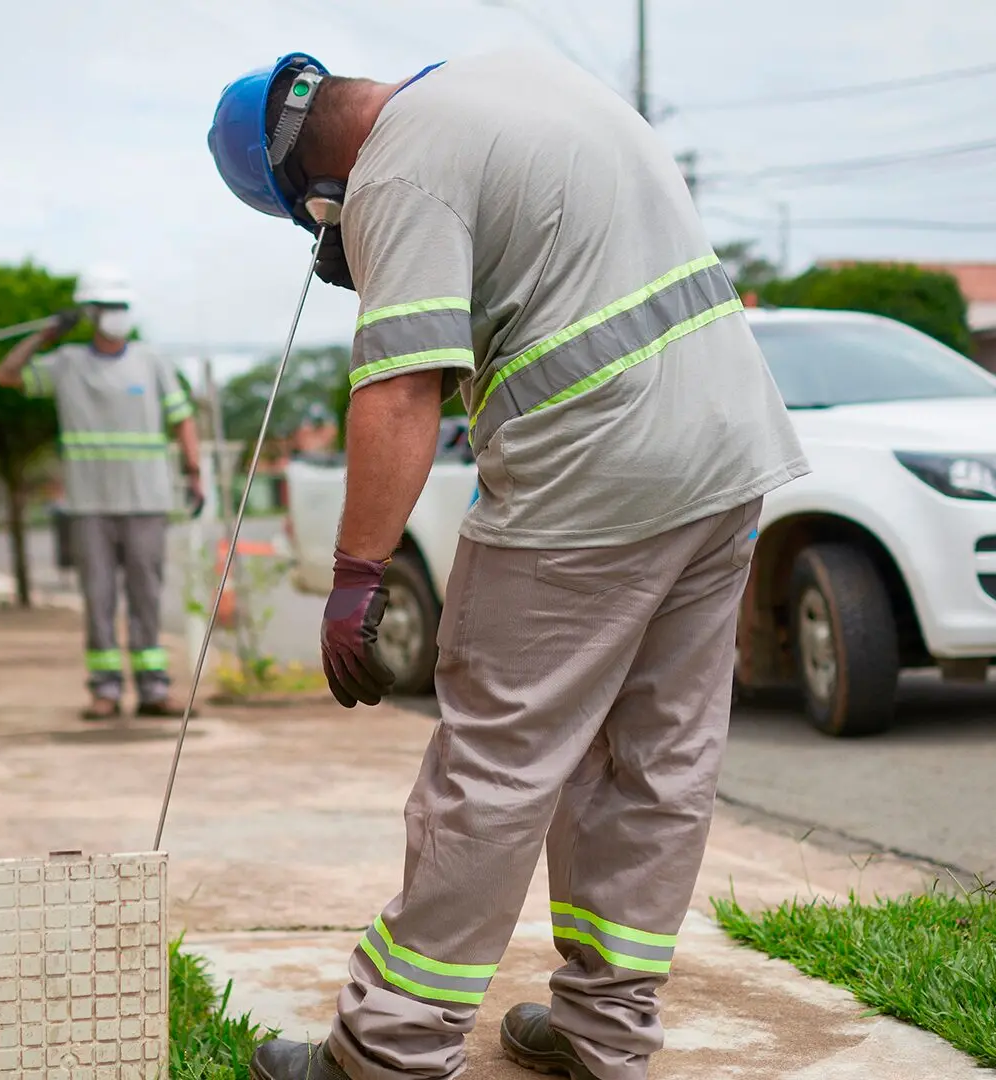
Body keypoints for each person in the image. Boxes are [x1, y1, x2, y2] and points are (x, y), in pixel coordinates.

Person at [206, 49, 809, 1080]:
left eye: (316, 224)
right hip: (729, 457)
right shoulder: (517, 78)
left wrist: (358, 576)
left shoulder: (396, 170)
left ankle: (389, 1053)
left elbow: (401, 386)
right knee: (656, 760)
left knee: (493, 768)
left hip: (594, 478)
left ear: (315, 193)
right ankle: (606, 1036)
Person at [0, 272, 204, 719]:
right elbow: (6, 375)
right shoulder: (67, 362)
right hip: (89, 506)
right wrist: (44, 335)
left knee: (147, 597)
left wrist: (194, 473)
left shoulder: (152, 361)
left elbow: (183, 419)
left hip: (147, 502)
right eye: (108, 307)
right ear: (89, 314)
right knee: (99, 598)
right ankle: (104, 691)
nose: (118, 316)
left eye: (123, 306)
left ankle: (153, 690)